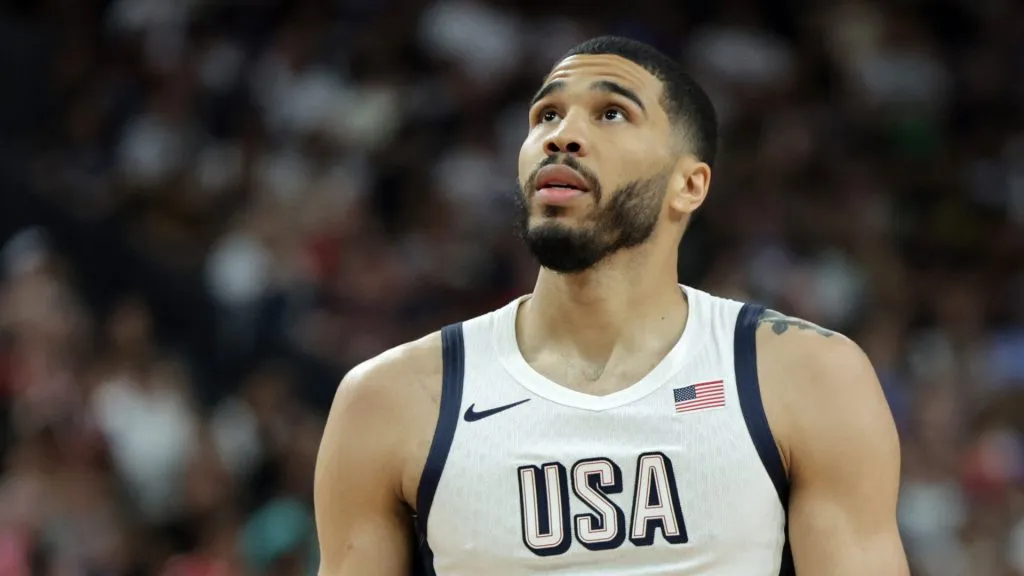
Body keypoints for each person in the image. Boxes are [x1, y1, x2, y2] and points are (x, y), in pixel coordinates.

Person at [314, 36, 908, 575]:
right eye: (546, 115)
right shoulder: (391, 398)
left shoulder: (805, 375)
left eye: (612, 113)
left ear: (690, 185)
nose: (561, 135)